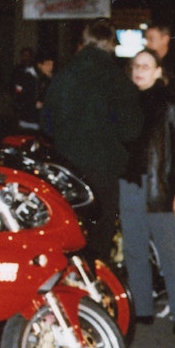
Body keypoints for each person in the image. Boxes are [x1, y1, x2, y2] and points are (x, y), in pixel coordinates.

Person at [44, 19, 142, 261]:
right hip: (105, 168)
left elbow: (46, 124)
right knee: (100, 232)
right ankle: (96, 283)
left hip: (68, 168)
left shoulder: (63, 75)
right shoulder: (119, 80)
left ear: (85, 40)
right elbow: (131, 131)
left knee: (72, 231)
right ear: (110, 44)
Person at [119, 48, 175, 335]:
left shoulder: (168, 105)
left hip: (159, 187)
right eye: (136, 66)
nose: (139, 71)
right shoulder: (126, 102)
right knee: (134, 251)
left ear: (158, 71)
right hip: (130, 185)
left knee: (171, 252)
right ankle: (143, 309)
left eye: (146, 66)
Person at [13, 50, 54, 132]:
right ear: (39, 65)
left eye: (52, 65)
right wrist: (34, 104)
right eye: (48, 64)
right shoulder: (26, 77)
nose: (51, 68)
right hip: (28, 123)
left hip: (44, 122)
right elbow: (17, 99)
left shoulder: (48, 79)